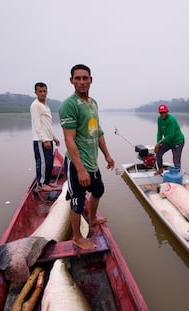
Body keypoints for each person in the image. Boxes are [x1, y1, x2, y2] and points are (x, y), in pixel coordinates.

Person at [59, 64, 115, 250]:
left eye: (85, 78)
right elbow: (69, 138)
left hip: (92, 162)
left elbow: (97, 132)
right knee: (77, 201)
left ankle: (91, 219)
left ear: (91, 80)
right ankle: (76, 237)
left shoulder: (93, 103)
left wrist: (107, 155)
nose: (82, 82)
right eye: (78, 78)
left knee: (98, 190)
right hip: (77, 164)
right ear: (71, 81)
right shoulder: (70, 105)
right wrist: (80, 169)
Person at [30, 82, 60, 192]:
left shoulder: (46, 106)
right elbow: (37, 126)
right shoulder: (35, 105)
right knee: (42, 163)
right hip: (40, 140)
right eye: (40, 91)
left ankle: (47, 182)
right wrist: (45, 140)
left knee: (49, 162)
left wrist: (54, 137)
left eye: (44, 91)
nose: (43, 93)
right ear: (36, 92)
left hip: (48, 139)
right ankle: (41, 184)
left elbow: (48, 125)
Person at [154, 104, 185, 175]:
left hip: (177, 141)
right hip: (168, 141)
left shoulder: (171, 120)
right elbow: (159, 132)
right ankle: (160, 169)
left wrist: (160, 143)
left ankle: (177, 175)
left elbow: (171, 135)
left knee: (176, 160)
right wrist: (158, 144)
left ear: (167, 112)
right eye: (161, 113)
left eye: (164, 112)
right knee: (158, 152)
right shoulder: (159, 119)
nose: (162, 114)